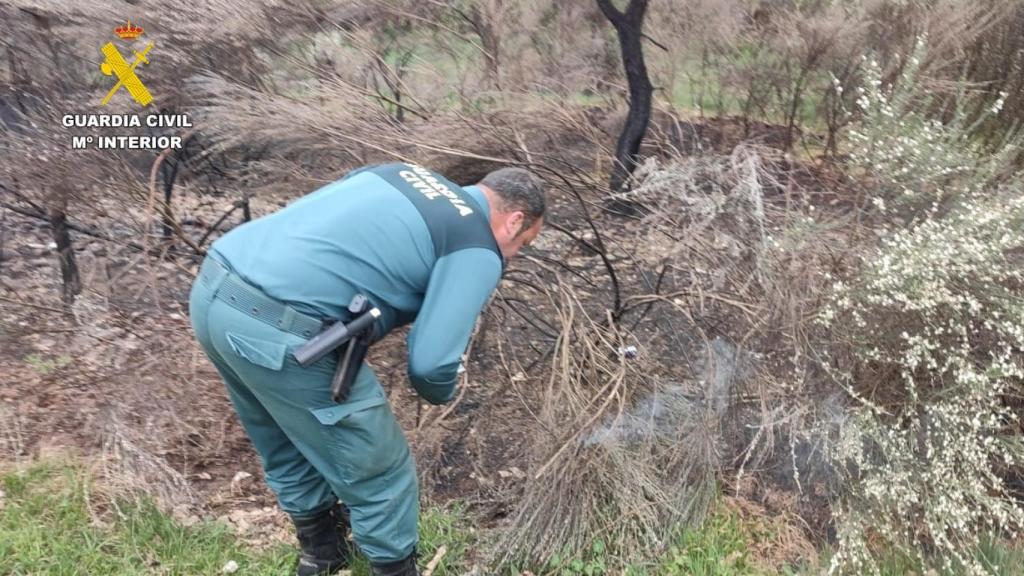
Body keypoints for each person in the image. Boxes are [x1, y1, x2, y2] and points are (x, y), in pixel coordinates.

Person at [187, 163, 545, 576]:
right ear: (515, 220)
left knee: (284, 439)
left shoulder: (401, 173)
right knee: (381, 468)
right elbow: (430, 364)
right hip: (281, 331)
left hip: (216, 290)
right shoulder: (476, 242)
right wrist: (446, 394)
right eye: (524, 244)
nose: (514, 257)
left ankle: (321, 554)